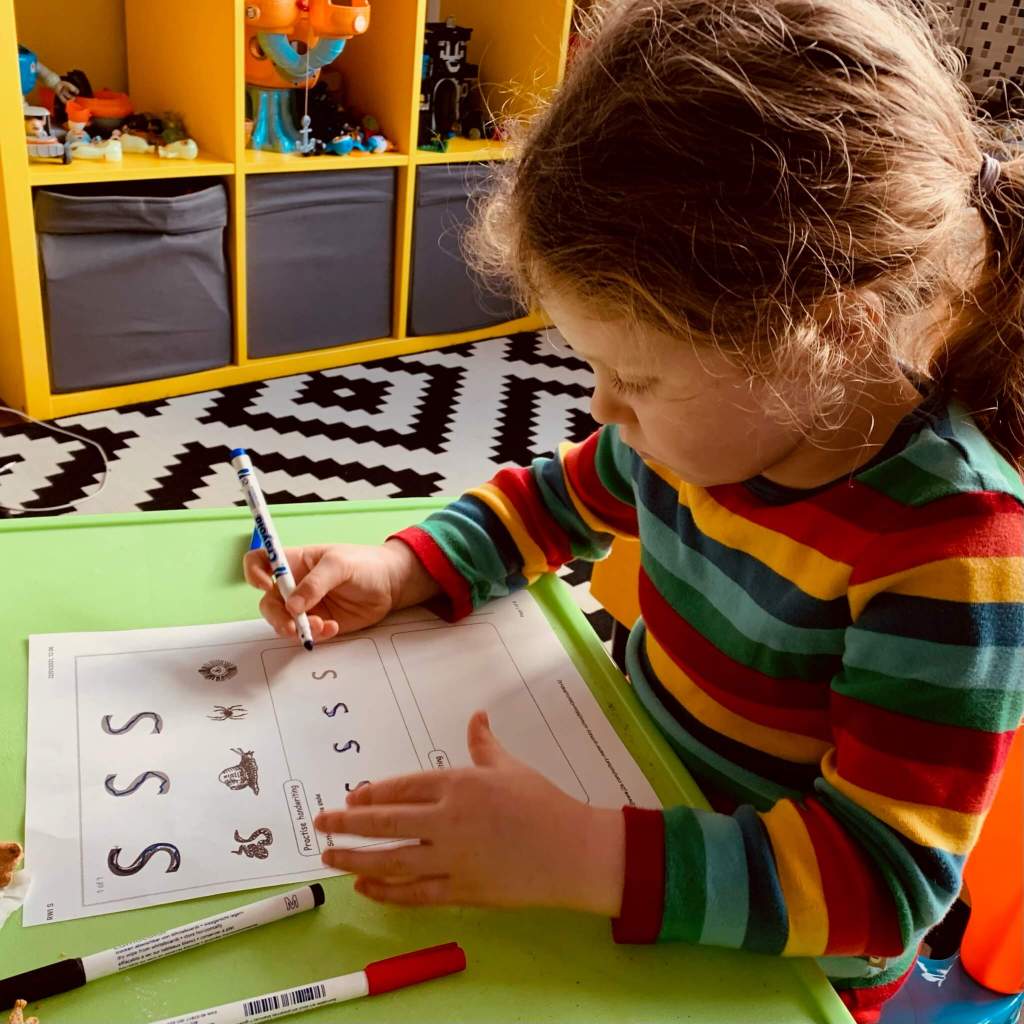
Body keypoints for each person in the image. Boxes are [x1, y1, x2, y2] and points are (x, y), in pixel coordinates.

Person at [245, 1, 1024, 1018]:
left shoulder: (949, 551)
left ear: (829, 337)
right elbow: (545, 503)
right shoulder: (709, 433)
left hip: (765, 967)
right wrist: (401, 569)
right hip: (629, 789)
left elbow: (879, 892)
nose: (604, 409)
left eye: (637, 379)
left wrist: (580, 853)